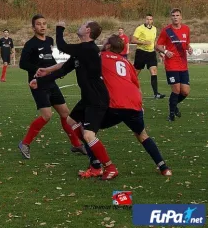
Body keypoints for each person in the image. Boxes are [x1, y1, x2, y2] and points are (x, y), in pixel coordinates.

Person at [32, 35, 172, 179]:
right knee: (142, 135)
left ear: (108, 46)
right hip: (134, 103)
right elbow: (136, 85)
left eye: (104, 41)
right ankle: (164, 168)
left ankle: (98, 165)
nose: (102, 43)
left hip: (112, 103)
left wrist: (48, 70)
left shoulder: (100, 56)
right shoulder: (126, 62)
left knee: (87, 131)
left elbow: (74, 61)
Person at [31, 20, 118, 181]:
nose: (79, 25)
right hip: (88, 98)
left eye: (83, 24)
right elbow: (64, 70)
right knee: (71, 121)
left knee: (89, 135)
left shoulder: (88, 48)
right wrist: (41, 80)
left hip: (97, 99)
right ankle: (95, 163)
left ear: (87, 31)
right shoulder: (81, 51)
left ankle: (109, 167)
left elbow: (63, 46)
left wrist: (59, 28)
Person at [18, 14, 85, 159]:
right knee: (46, 115)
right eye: (38, 24)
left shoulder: (49, 40)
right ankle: (25, 143)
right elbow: (22, 63)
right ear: (33, 27)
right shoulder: (30, 44)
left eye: (44, 23)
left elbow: (50, 58)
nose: (42, 26)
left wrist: (57, 69)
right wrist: (36, 69)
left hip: (51, 82)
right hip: (38, 83)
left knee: (65, 114)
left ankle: (76, 144)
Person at [156, 8, 193, 121]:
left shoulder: (186, 29)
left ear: (181, 17)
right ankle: (171, 114)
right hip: (171, 65)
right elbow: (158, 46)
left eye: (177, 15)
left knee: (185, 92)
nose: (175, 17)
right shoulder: (166, 30)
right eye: (173, 15)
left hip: (183, 64)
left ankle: (173, 104)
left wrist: (189, 48)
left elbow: (186, 44)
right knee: (176, 90)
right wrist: (166, 52)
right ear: (171, 17)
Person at [131, 14, 165, 99]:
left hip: (151, 53)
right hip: (141, 52)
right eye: (147, 19)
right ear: (145, 20)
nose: (149, 21)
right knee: (135, 73)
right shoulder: (139, 28)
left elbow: (154, 42)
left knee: (154, 71)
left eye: (150, 19)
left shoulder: (154, 29)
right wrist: (143, 42)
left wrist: (159, 51)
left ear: (152, 20)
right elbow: (133, 40)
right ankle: (127, 89)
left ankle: (156, 93)